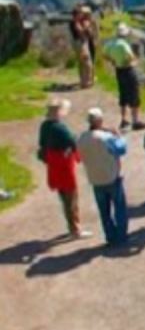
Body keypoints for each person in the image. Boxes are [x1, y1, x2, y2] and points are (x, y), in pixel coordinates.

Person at [37, 98, 89, 240]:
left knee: (64, 196)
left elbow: (42, 144)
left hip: (54, 166)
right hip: (65, 165)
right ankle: (75, 229)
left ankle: (72, 225)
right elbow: (72, 142)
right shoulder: (60, 127)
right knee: (71, 197)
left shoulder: (45, 126)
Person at [77, 107, 129, 247]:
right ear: (100, 121)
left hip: (95, 178)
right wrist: (118, 135)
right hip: (111, 175)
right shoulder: (106, 138)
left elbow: (79, 157)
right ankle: (121, 236)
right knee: (119, 206)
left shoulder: (82, 139)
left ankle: (110, 236)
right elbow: (122, 149)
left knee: (104, 211)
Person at [103, 23, 145, 130]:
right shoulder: (124, 45)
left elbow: (104, 54)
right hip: (128, 70)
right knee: (134, 94)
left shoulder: (110, 44)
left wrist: (113, 61)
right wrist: (133, 62)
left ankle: (123, 120)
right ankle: (135, 121)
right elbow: (130, 57)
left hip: (118, 70)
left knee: (123, 94)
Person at [69, 6, 97, 89]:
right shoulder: (75, 23)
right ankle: (87, 82)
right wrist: (87, 26)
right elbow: (81, 32)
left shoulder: (75, 22)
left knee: (82, 63)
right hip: (81, 44)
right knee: (87, 63)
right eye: (80, 14)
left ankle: (83, 80)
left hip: (80, 43)